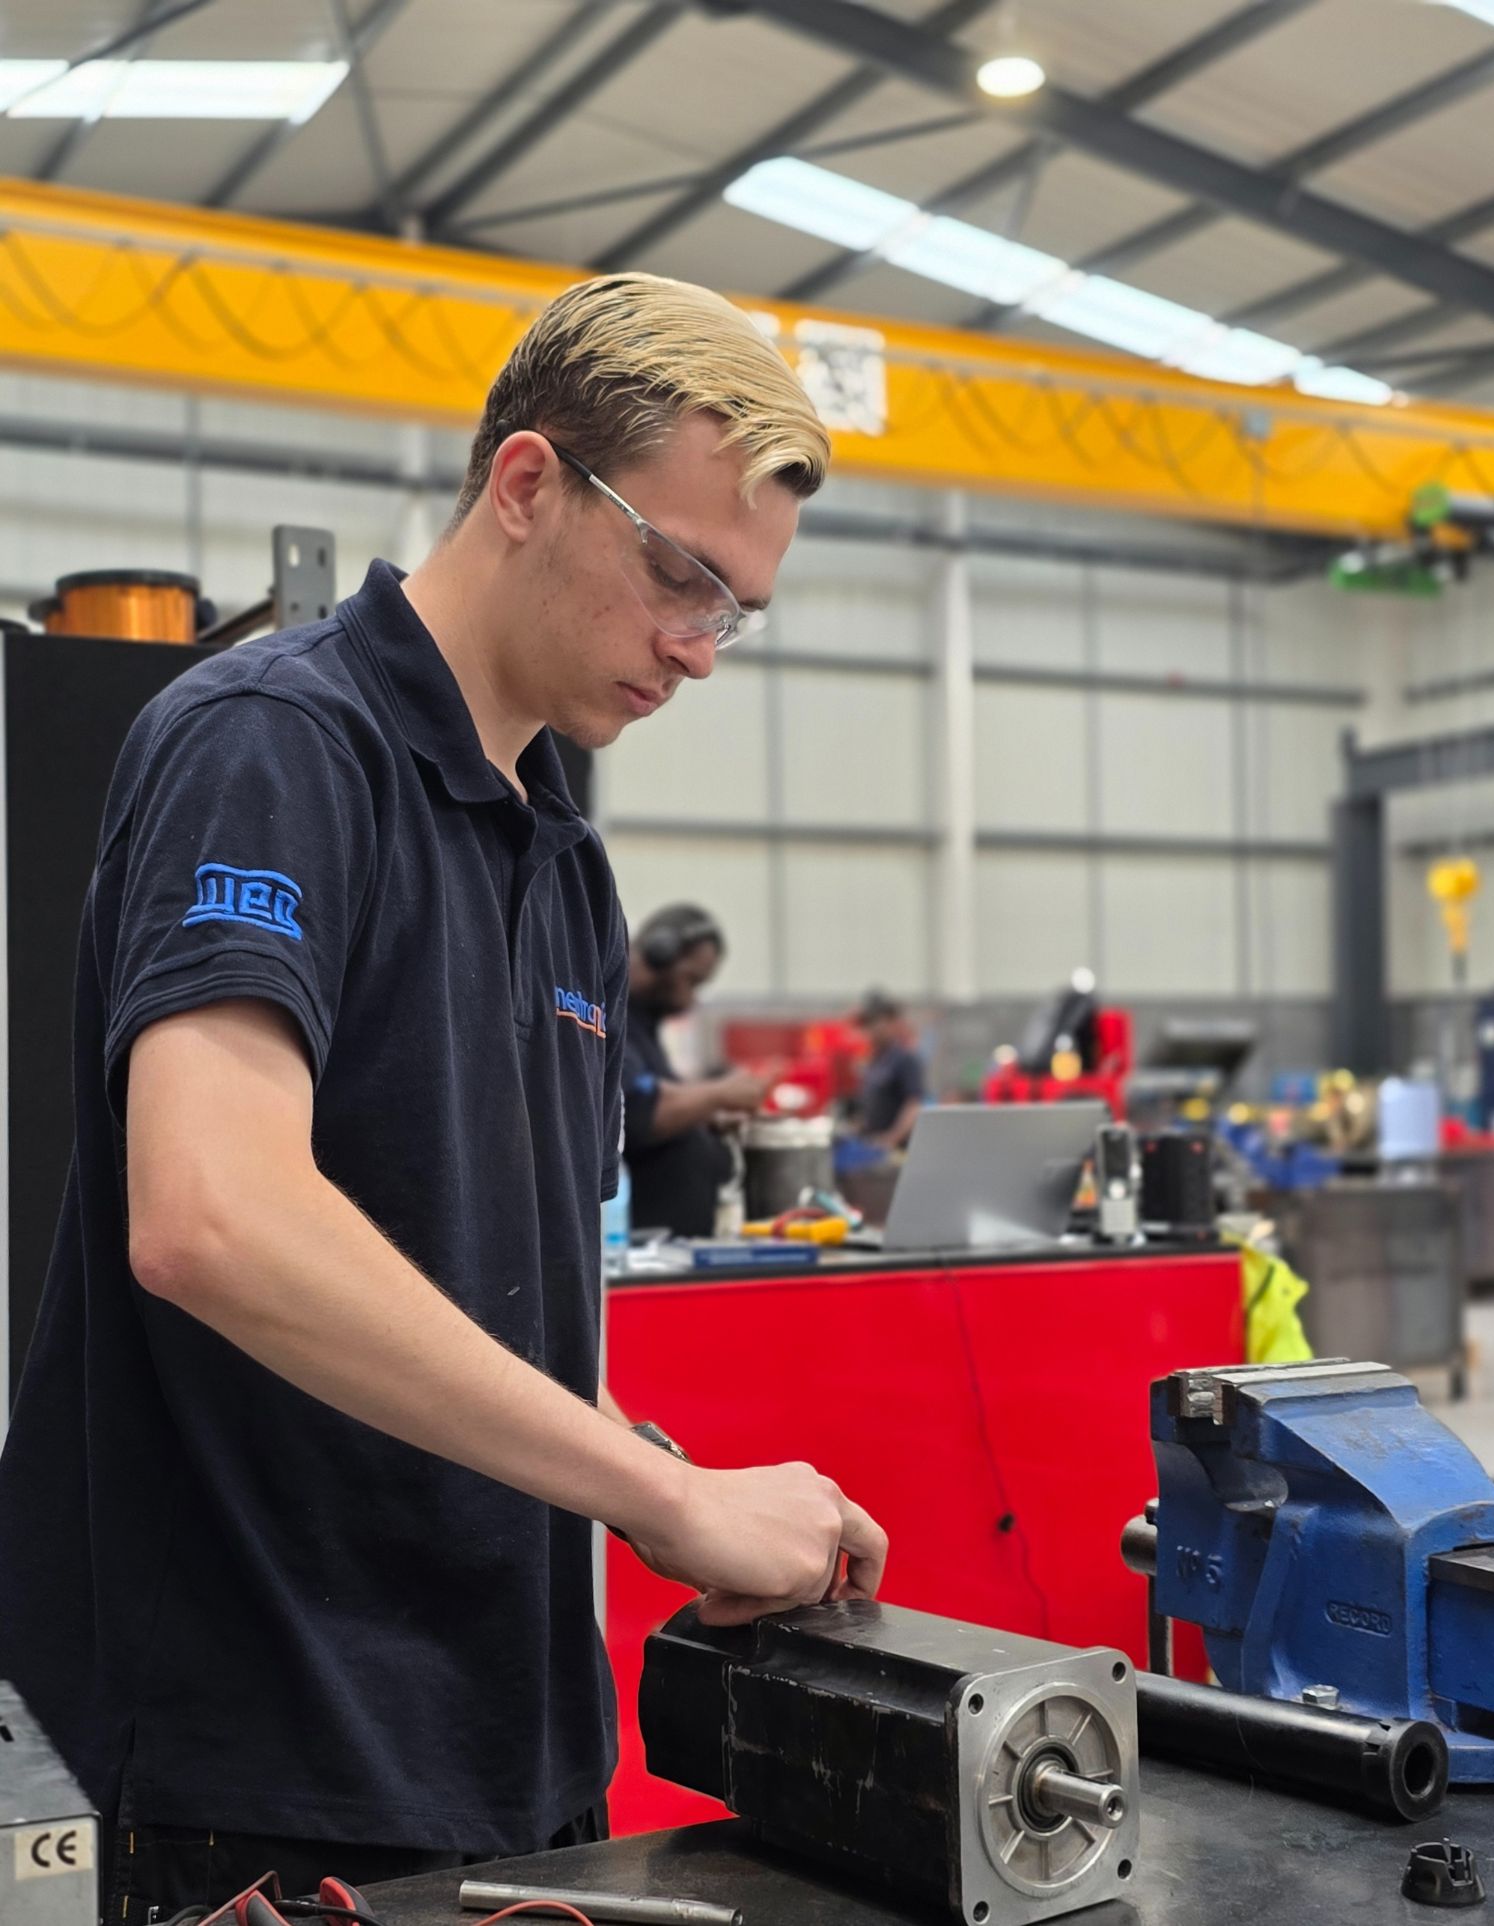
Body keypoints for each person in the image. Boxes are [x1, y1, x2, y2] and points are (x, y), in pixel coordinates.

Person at [0, 272, 888, 1919]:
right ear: (531, 484)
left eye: (736, 609)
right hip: (259, 1768)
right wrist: (667, 1494)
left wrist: (679, 1496)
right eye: (681, 575)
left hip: (501, 1756)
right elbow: (211, 1218)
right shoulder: (274, 748)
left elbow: (482, 1285)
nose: (701, 649)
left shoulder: (561, 854)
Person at [622, 904, 771, 1237]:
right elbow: (637, 1112)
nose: (691, 999)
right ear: (659, 954)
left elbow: (661, 1095)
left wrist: (707, 1114)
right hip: (639, 1251)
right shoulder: (610, 1019)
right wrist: (721, 1093)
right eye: (690, 980)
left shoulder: (644, 1026)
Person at [853, 991, 927, 1151]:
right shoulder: (875, 1060)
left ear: (893, 1023)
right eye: (868, 1024)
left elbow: (914, 1104)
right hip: (872, 1145)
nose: (871, 1029)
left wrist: (891, 1138)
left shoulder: (904, 1059)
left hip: (895, 1150)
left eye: (876, 1022)